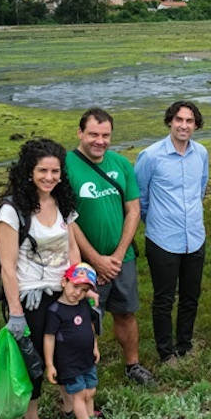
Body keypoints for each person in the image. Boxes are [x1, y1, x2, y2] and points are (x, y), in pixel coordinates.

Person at [0, 139, 80, 419]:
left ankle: (71, 407)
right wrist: (15, 313)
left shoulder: (63, 202)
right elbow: (7, 266)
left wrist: (79, 284)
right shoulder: (12, 210)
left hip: (64, 292)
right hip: (30, 296)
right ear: (28, 172)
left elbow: (72, 247)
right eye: (42, 170)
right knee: (34, 361)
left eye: (55, 171)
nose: (49, 177)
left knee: (66, 353)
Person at [65, 107, 153, 385]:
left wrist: (115, 256)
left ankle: (133, 365)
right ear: (80, 133)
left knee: (126, 312)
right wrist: (95, 259)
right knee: (85, 315)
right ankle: (86, 370)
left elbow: (134, 210)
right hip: (84, 261)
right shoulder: (65, 165)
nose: (99, 141)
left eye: (105, 135)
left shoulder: (120, 164)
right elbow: (66, 219)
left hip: (121, 258)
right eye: (93, 134)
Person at [134, 101, 208, 364]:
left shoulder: (201, 153)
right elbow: (139, 198)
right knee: (164, 299)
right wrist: (155, 220)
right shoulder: (151, 156)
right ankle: (166, 352)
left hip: (195, 238)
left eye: (189, 121)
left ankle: (185, 345)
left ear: (196, 125)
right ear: (170, 121)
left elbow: (200, 190)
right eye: (179, 120)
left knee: (191, 295)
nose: (184, 125)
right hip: (163, 239)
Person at [43, 264, 105, 419]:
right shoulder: (55, 311)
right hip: (69, 361)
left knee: (90, 391)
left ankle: (91, 417)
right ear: (64, 282)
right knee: (79, 394)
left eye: (84, 290)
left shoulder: (83, 305)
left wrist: (95, 347)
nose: (78, 293)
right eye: (75, 286)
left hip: (86, 358)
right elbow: (49, 337)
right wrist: (50, 364)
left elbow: (90, 327)